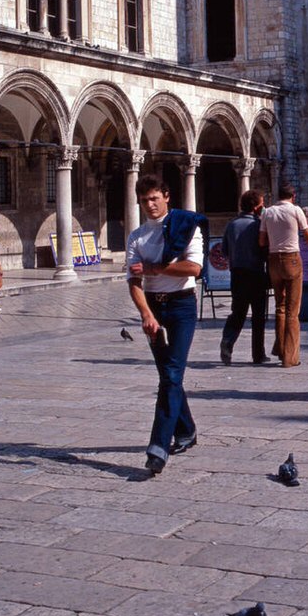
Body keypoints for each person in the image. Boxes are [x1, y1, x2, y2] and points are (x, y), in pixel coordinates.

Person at [126, 175, 204, 476]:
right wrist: (146, 314)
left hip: (182, 306)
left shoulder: (186, 227)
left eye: (154, 198)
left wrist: (155, 268)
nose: (150, 205)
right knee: (168, 375)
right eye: (144, 200)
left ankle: (158, 447)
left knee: (171, 374)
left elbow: (194, 268)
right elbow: (133, 281)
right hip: (154, 307)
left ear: (167, 196)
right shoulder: (137, 237)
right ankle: (187, 430)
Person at [260, 183, 308, 367]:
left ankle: (281, 349)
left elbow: (262, 241)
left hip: (273, 260)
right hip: (292, 258)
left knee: (280, 306)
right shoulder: (296, 211)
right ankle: (290, 357)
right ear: (293, 196)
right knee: (293, 310)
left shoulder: (268, 212)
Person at [219, 190, 270, 366]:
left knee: (238, 312)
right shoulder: (258, 225)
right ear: (256, 207)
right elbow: (265, 249)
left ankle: (228, 341)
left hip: (237, 274)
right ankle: (258, 354)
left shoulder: (232, 224)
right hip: (256, 273)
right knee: (258, 315)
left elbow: (224, 250)